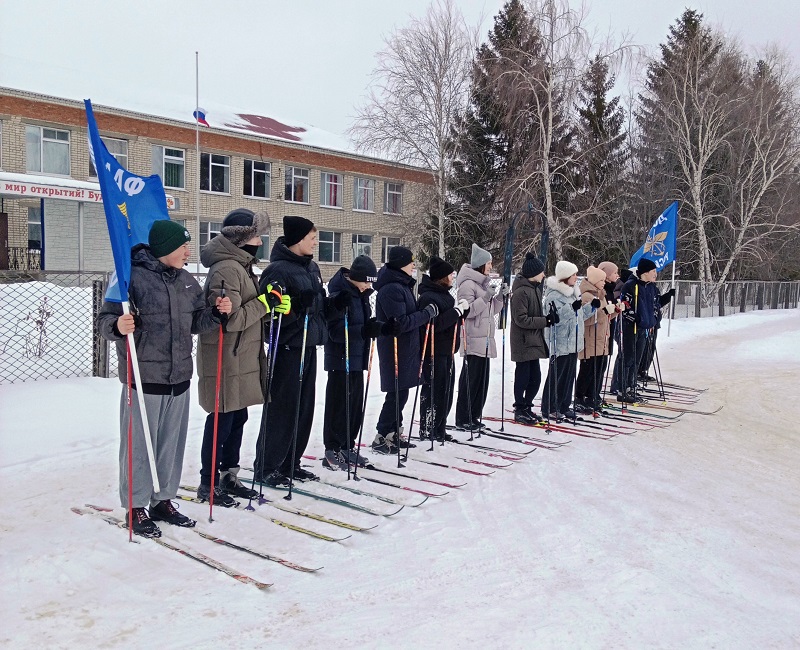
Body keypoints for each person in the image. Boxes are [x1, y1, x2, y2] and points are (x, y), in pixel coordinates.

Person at [97, 219, 231, 538]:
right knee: (139, 446)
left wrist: (216, 313)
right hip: (143, 378)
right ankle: (136, 506)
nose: (188, 251)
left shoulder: (186, 280)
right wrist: (118, 327)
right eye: (183, 245)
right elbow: (104, 321)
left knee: (170, 446)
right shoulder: (130, 277)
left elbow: (197, 321)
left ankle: (162, 500)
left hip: (179, 376)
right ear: (164, 248)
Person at [196, 208, 279, 506]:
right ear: (241, 239)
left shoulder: (241, 266)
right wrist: (264, 303)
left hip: (242, 355)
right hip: (226, 356)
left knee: (238, 416)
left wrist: (269, 306)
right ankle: (208, 482)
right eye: (256, 235)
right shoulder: (227, 269)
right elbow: (229, 320)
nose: (261, 240)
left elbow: (247, 311)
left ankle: (228, 475)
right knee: (222, 418)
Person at [254, 216, 327, 485]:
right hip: (288, 348)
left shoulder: (312, 268)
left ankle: (290, 462)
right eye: (312, 238)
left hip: (309, 346)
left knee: (304, 408)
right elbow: (269, 316)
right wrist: (297, 306)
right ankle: (267, 465)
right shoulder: (277, 270)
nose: (316, 243)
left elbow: (318, 306)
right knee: (282, 408)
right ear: (298, 240)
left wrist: (332, 306)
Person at [372, 246, 437, 455]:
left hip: (407, 348)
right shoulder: (392, 288)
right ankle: (382, 435)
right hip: (395, 349)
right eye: (411, 262)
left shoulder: (402, 286)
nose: (414, 266)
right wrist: (425, 314)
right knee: (396, 394)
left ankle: (393, 432)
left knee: (402, 393)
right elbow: (399, 323)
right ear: (401, 264)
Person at [321, 256, 385, 470]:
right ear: (355, 278)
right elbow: (335, 332)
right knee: (339, 405)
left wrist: (371, 327)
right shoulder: (340, 295)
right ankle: (332, 448)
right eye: (366, 281)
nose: (369, 285)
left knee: (355, 406)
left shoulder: (361, 295)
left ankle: (348, 445)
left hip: (358, 358)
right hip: (341, 359)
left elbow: (361, 325)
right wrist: (363, 330)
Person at [454, 243, 509, 431]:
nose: (491, 266)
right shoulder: (467, 285)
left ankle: (474, 415)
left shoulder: (481, 284)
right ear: (480, 264)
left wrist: (500, 297)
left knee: (482, 382)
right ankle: (463, 417)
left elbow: (492, 310)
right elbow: (467, 312)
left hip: (485, 339)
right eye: (488, 263)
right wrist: (485, 297)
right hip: (473, 338)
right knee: (471, 380)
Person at [417, 256, 469, 442]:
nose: (453, 277)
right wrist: (455, 313)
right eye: (450, 274)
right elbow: (435, 324)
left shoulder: (445, 294)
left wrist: (461, 313)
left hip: (447, 350)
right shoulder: (428, 296)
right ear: (441, 277)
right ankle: (428, 427)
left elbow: (450, 320)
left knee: (446, 390)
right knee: (434, 390)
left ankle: (440, 426)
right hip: (434, 351)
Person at [540, 260, 596, 420]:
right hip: (561, 342)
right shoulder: (553, 295)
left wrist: (590, 307)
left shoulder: (572, 293)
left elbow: (579, 316)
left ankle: (564, 405)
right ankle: (550, 407)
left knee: (568, 376)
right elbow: (556, 319)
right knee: (557, 376)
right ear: (565, 276)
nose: (576, 277)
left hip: (573, 342)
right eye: (573, 274)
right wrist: (572, 308)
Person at [510, 252, 553, 424]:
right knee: (524, 376)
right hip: (523, 342)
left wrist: (548, 318)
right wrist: (545, 321)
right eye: (541, 272)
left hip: (534, 341)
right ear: (534, 273)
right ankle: (520, 408)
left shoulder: (533, 289)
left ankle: (527, 406)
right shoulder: (521, 292)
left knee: (535, 377)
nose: (544, 275)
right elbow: (521, 319)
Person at [574, 265, 617, 413]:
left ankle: (592, 395)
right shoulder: (586, 296)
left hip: (601, 339)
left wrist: (615, 311)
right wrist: (605, 311)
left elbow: (605, 317)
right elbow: (586, 319)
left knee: (598, 369)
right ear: (594, 281)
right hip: (590, 339)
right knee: (587, 370)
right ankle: (579, 397)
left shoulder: (601, 295)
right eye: (601, 280)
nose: (604, 282)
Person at [617, 258, 659, 401]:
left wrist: (653, 319)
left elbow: (654, 305)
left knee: (637, 359)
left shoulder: (651, 286)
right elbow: (625, 306)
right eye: (653, 271)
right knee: (628, 358)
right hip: (631, 327)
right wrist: (637, 318)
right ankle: (623, 389)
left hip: (644, 328)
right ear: (645, 272)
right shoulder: (630, 285)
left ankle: (632, 385)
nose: (655, 274)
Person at [638, 284, 675, 382]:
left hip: (654, 322)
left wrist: (668, 296)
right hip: (646, 323)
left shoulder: (653, 288)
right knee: (644, 348)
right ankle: (637, 371)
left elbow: (658, 303)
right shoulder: (641, 287)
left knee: (651, 348)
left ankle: (643, 370)